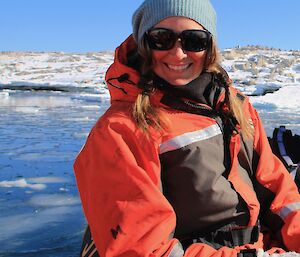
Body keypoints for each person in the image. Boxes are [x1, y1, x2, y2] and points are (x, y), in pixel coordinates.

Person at [74, 0, 300, 256]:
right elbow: (142, 248)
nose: (178, 53)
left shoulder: (235, 106)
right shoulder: (120, 131)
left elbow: (277, 187)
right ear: (144, 43)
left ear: (209, 46)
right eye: (162, 38)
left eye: (194, 40)